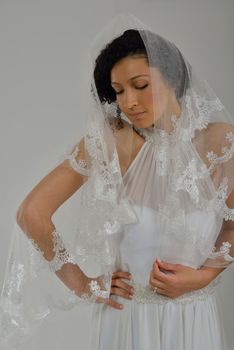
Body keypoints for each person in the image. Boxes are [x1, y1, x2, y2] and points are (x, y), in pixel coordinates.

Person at [0, 13, 234, 350]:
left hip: (194, 320)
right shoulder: (113, 141)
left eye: (140, 85)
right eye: (118, 91)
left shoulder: (221, 142)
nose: (129, 102)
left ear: (173, 78)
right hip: (128, 322)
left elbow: (231, 225)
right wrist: (83, 284)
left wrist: (204, 276)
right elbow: (31, 213)